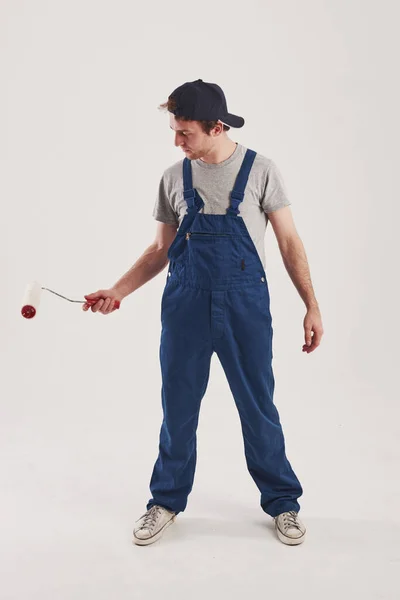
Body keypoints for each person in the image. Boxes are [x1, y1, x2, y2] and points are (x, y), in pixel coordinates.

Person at [83, 79, 324, 547]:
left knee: (258, 408)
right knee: (178, 408)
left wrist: (312, 306)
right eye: (174, 131)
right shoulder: (174, 177)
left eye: (185, 133)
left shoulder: (261, 171)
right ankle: (166, 501)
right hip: (185, 305)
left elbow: (290, 243)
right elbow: (160, 251)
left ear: (216, 127)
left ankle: (283, 502)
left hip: (244, 307)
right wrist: (118, 290)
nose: (176, 142)